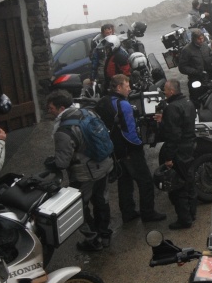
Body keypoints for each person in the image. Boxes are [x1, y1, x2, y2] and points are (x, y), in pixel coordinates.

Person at [45, 90, 113, 252]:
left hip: (84, 174)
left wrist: (50, 163)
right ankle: (105, 236)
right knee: (102, 201)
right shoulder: (88, 112)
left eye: (51, 108)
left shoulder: (64, 130)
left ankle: (93, 239)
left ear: (61, 108)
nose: (49, 111)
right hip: (103, 165)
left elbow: (62, 162)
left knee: (78, 208)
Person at [94, 74, 165, 224]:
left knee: (125, 182)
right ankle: (148, 213)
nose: (130, 89)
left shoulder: (104, 101)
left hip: (115, 150)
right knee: (145, 181)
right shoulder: (123, 105)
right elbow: (129, 131)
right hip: (129, 150)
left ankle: (128, 212)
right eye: (127, 86)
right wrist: (139, 144)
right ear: (119, 87)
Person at [154, 79, 197, 229]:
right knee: (189, 182)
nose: (163, 92)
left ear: (172, 91)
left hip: (178, 151)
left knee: (178, 187)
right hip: (189, 148)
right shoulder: (188, 102)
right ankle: (192, 213)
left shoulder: (171, 108)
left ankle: (184, 220)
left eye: (165, 89)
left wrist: (168, 158)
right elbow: (184, 125)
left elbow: (173, 136)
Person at [178, 28, 212, 101]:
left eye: (202, 38)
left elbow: (211, 58)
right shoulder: (186, 50)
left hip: (208, 77)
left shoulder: (205, 46)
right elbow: (182, 67)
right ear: (194, 39)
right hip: (195, 78)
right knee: (196, 99)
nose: (201, 40)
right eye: (199, 39)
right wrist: (196, 71)